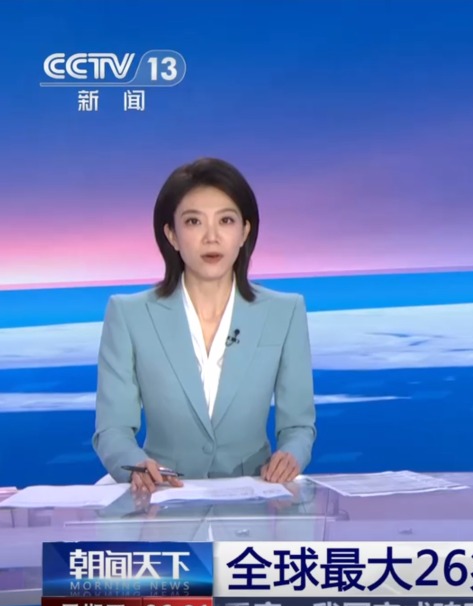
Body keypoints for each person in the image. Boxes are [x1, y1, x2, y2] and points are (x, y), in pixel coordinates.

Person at [93, 158, 317, 493]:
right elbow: (112, 429)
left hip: (254, 494)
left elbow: (299, 426)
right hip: (162, 495)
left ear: (244, 231)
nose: (212, 237)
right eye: (194, 222)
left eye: (225, 220)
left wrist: (291, 455)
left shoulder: (285, 312)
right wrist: (135, 465)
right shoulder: (129, 314)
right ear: (171, 234)